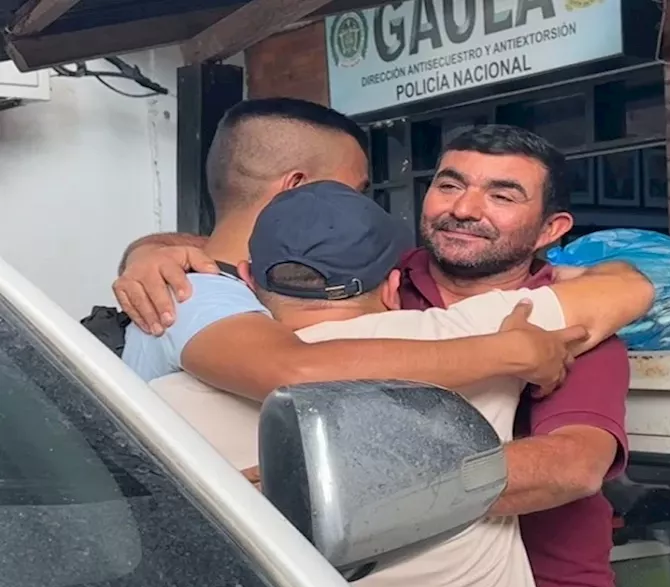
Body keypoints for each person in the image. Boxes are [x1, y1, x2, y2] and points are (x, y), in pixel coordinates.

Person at [115, 123, 662, 587]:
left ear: (552, 230)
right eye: (450, 184)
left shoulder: (564, 325)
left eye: (503, 195)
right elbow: (286, 246)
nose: (465, 208)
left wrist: (313, 488)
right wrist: (155, 254)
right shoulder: (401, 287)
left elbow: (569, 466)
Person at [115, 97, 582, 401]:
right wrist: (507, 353)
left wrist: (149, 247)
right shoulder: (191, 295)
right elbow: (294, 371)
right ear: (296, 189)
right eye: (353, 190)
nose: (358, 209)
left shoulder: (225, 285)